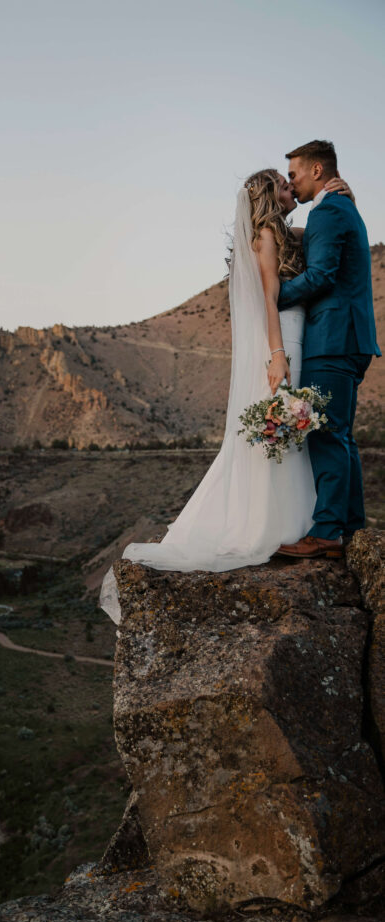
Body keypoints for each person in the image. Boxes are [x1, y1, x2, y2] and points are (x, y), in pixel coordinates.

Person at [99, 166, 354, 625]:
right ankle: (279, 525)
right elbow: (271, 301)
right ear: (267, 195)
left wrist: (332, 198)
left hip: (296, 337)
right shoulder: (267, 238)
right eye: (282, 182)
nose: (289, 186)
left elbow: (317, 233)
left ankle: (297, 523)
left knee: (291, 435)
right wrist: (278, 354)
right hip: (286, 339)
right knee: (287, 432)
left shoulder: (275, 231)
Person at [275, 140, 380, 559]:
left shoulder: (330, 210)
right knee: (341, 435)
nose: (292, 182)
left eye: (296, 174)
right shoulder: (338, 208)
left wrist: (272, 297)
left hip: (333, 337)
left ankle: (327, 533)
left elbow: (320, 276)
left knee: (324, 431)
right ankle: (350, 526)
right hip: (349, 338)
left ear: (317, 171)